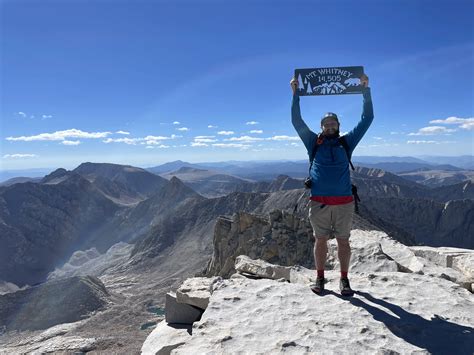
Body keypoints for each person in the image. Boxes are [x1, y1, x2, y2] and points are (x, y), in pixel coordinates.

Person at [290, 73, 373, 296]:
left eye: (332, 123)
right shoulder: (313, 143)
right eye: (326, 124)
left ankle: (344, 280)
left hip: (344, 202)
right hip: (319, 202)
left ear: (338, 125)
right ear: (321, 127)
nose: (329, 126)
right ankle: (320, 278)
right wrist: (295, 94)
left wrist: (365, 90)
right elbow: (297, 122)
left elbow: (367, 120)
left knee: (344, 242)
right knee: (320, 241)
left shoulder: (346, 142)